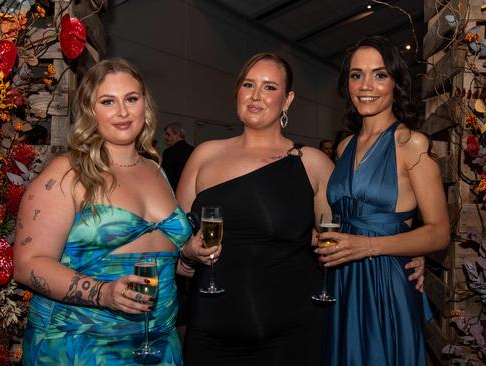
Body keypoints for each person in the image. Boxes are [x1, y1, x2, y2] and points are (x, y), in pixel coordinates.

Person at [13, 58, 191, 365]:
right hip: (80, 346)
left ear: (144, 105)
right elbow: (27, 264)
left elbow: (154, 253)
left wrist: (186, 258)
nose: (123, 112)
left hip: (157, 346)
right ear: (89, 111)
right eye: (108, 101)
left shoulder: (156, 170)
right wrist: (103, 293)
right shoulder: (67, 172)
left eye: (131, 99)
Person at [175, 52, 333, 365]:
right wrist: (186, 255)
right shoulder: (204, 156)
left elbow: (342, 240)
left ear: (287, 101)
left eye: (269, 87)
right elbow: (172, 242)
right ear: (237, 92)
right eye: (249, 84)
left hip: (290, 334)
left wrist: (404, 253)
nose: (256, 95)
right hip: (210, 328)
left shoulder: (311, 164)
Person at [317, 36, 450, 365]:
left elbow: (438, 232)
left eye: (379, 75)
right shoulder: (344, 147)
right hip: (341, 279)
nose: (366, 85)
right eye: (356, 74)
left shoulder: (411, 143)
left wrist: (369, 246)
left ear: (396, 83)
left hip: (384, 285)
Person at [162, 122, 194, 192]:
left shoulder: (169, 152)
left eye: (168, 134)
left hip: (172, 193)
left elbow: (165, 177)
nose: (165, 137)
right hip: (189, 192)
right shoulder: (193, 151)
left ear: (177, 135)